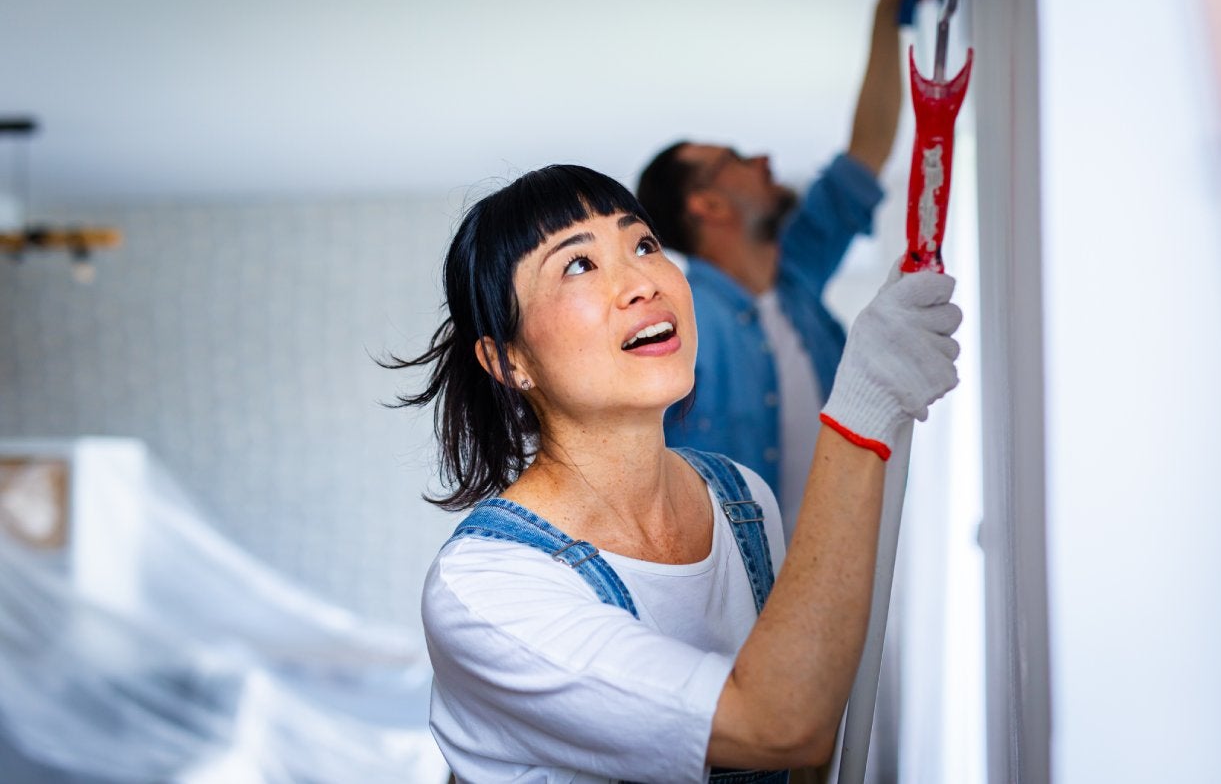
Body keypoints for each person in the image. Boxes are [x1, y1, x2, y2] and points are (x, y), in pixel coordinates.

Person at [386, 164, 960, 782]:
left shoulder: (741, 500)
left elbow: (807, 721)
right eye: (578, 264)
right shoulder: (485, 591)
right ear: (508, 360)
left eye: (644, 245)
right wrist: (861, 407)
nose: (640, 283)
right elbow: (777, 725)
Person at [636, 0, 933, 537]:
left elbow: (866, 151)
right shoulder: (676, 326)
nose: (765, 159)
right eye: (738, 159)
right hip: (733, 609)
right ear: (708, 205)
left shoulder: (795, 273)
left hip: (836, 575)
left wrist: (885, 18)